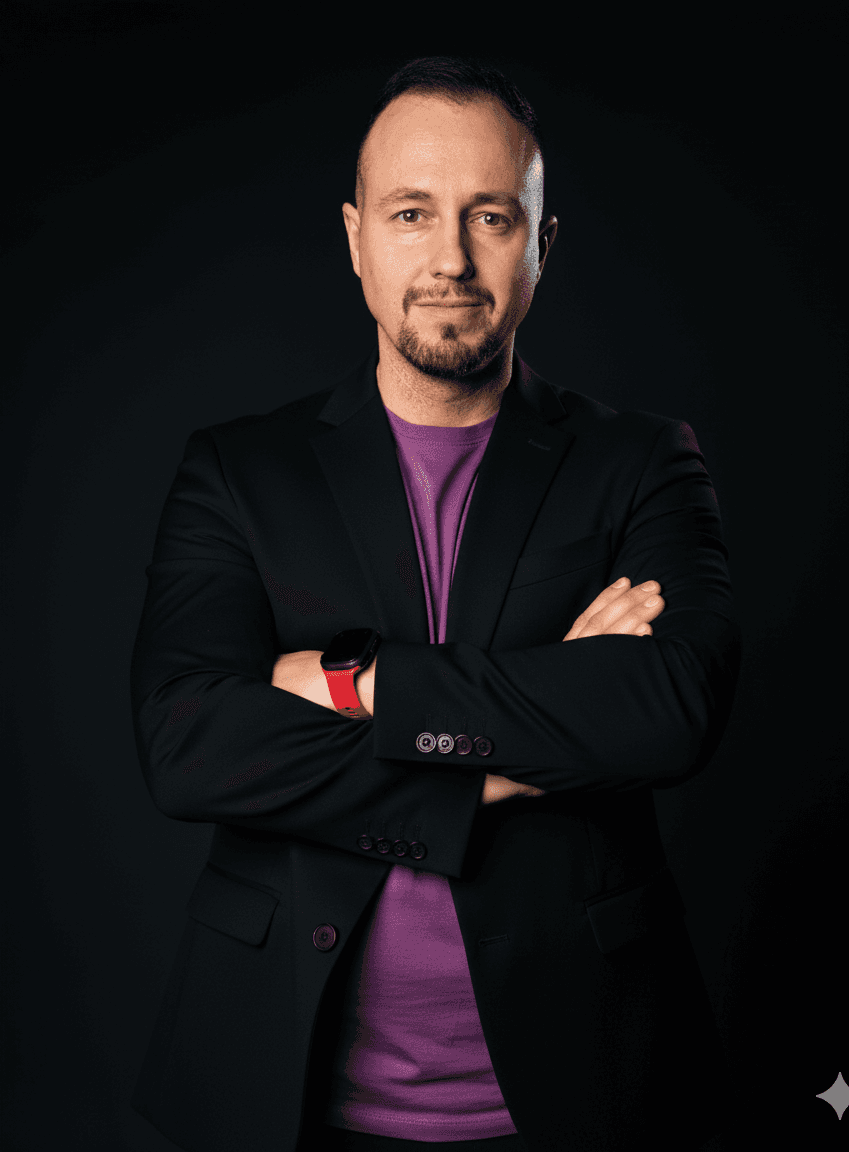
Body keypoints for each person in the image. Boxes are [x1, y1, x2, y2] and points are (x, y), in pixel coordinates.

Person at [129, 55, 740, 1152]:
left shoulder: (640, 463)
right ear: (357, 238)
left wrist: (353, 682)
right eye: (412, 213)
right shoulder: (236, 471)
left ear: (540, 245)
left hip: (585, 1085)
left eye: (490, 216)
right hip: (280, 1091)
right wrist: (501, 765)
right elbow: (187, 744)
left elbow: (668, 707)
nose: (450, 258)